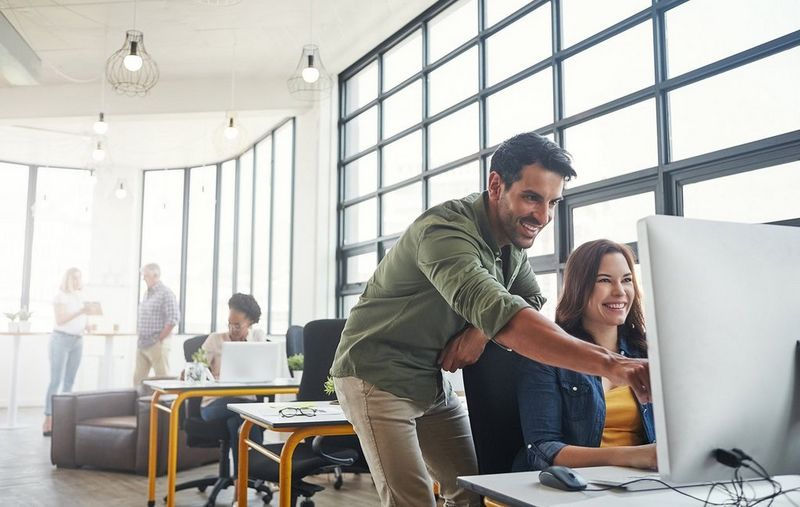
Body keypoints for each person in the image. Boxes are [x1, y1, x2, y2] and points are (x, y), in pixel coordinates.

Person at [330, 132, 651, 507]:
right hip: (375, 375)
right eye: (532, 197)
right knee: (412, 500)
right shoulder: (446, 232)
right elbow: (507, 315)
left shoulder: (510, 248)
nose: (543, 216)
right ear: (496, 184)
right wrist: (612, 365)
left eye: (552, 202)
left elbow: (529, 297)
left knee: (470, 492)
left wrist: (479, 333)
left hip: (430, 382)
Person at [514, 239, 656, 472]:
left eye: (627, 280)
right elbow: (543, 449)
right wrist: (636, 456)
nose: (620, 291)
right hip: (576, 486)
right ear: (579, 286)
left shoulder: (647, 352)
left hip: (643, 480)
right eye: (604, 280)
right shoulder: (546, 355)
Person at [199, 293, 267, 472]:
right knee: (245, 413)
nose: (232, 329)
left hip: (245, 404)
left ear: (250, 322)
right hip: (213, 404)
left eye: (237, 325)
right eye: (229, 323)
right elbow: (196, 369)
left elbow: (267, 371)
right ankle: (264, 472)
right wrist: (192, 370)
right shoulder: (215, 339)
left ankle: (240, 484)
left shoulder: (258, 339)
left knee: (237, 421)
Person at [43, 268, 88, 436]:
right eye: (74, 278)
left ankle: (63, 420)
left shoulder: (81, 296)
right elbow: (60, 320)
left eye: (79, 278)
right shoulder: (60, 296)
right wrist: (80, 312)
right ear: (67, 279)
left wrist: (87, 324)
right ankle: (48, 421)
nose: (77, 281)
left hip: (78, 340)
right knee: (56, 381)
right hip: (60, 340)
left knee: (70, 381)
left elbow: (81, 319)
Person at [134, 263, 179, 386]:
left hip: (157, 343)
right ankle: (139, 404)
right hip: (143, 343)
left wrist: (158, 339)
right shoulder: (147, 293)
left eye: (146, 275)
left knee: (162, 380)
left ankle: (166, 404)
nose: (143, 278)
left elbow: (173, 319)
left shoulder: (166, 293)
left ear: (156, 275)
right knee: (138, 380)